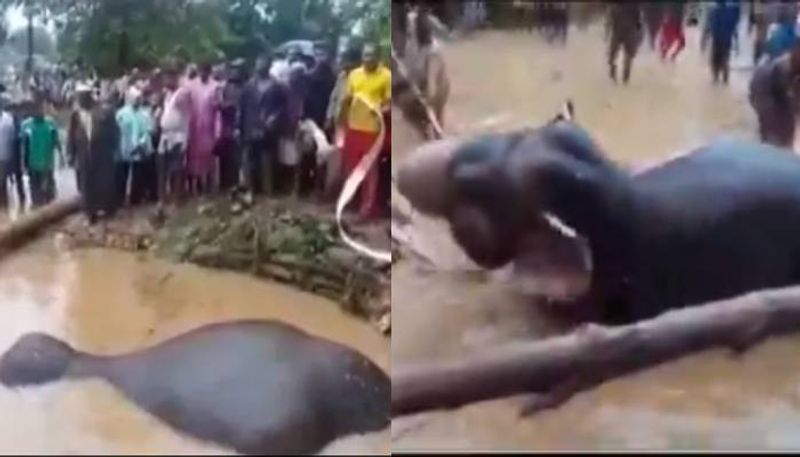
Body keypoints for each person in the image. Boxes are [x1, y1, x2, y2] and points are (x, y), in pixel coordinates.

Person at [338, 44, 391, 221]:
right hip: (353, 127)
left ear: (378, 57)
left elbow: (389, 103)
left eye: (371, 55)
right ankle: (351, 202)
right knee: (351, 169)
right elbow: (347, 100)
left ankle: (367, 210)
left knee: (370, 172)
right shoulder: (354, 75)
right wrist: (341, 123)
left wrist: (379, 110)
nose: (367, 59)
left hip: (373, 130)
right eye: (365, 56)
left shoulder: (386, 76)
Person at [68, 85, 120, 223]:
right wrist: (70, 154)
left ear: (89, 96)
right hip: (84, 153)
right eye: (79, 97)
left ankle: (108, 209)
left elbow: (115, 132)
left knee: (105, 181)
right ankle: (90, 213)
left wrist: (115, 149)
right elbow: (71, 136)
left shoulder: (104, 111)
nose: (80, 100)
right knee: (86, 183)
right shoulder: (76, 115)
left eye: (83, 97)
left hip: (102, 153)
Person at [240, 54, 288, 196]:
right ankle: (250, 189)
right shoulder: (249, 85)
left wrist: (274, 119)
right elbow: (241, 107)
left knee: (267, 160)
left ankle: (268, 190)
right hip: (250, 126)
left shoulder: (276, 86)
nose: (259, 65)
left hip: (268, 128)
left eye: (263, 62)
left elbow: (282, 107)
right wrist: (239, 127)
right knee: (250, 160)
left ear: (269, 66)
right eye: (258, 62)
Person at [749, 38, 800, 149]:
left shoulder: (792, 68)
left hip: (769, 95)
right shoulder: (780, 70)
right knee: (775, 138)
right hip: (764, 94)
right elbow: (789, 102)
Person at [157, 65, 192, 207]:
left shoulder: (181, 94)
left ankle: (178, 199)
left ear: (174, 78)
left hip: (178, 136)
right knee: (162, 168)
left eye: (167, 77)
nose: (165, 81)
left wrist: (185, 137)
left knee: (177, 169)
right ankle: (163, 199)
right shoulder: (167, 94)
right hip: (165, 135)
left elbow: (187, 116)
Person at [185, 62, 220, 195]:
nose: (203, 74)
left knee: (209, 156)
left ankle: (210, 187)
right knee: (193, 158)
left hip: (208, 126)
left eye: (205, 71)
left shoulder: (215, 86)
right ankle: (196, 186)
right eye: (201, 71)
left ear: (209, 72)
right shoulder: (191, 86)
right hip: (193, 126)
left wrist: (217, 129)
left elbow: (217, 110)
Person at [20, 99, 61, 208]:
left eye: (41, 109)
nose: (39, 112)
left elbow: (56, 142)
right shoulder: (26, 126)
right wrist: (23, 164)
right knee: (34, 190)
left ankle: (50, 208)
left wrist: (62, 158)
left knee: (48, 191)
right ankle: (37, 209)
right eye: (36, 110)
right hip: (32, 163)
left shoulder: (51, 123)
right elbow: (23, 146)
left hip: (47, 163)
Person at [115, 87, 152, 208]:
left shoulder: (144, 114)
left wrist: (141, 145)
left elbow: (147, 131)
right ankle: (120, 199)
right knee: (122, 176)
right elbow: (117, 132)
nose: (138, 101)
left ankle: (135, 199)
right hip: (124, 149)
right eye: (135, 99)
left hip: (139, 150)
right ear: (130, 99)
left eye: (139, 99)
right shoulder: (121, 114)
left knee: (137, 176)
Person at [217, 60, 245, 192]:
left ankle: (235, 183)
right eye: (233, 69)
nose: (234, 73)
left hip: (237, 125)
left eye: (237, 70)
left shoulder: (244, 87)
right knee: (225, 156)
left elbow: (243, 106)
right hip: (225, 124)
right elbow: (221, 103)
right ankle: (224, 182)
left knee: (236, 157)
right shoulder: (225, 87)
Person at [703, 0, 741, 85]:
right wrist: (737, 42)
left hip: (717, 37)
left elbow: (710, 24)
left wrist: (705, 39)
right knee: (725, 57)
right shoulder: (732, 8)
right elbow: (735, 23)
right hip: (727, 37)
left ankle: (716, 78)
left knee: (716, 58)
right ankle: (725, 80)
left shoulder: (715, 9)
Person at [606, 2, 643, 84]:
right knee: (616, 58)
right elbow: (639, 22)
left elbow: (638, 21)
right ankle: (620, 80)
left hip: (625, 31)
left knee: (619, 57)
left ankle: (620, 80)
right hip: (622, 31)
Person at [0, 96, 16, 210]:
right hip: (4, 155)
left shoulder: (8, 119)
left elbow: (12, 138)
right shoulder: (8, 119)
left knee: (2, 181)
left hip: (5, 156)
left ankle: (4, 206)